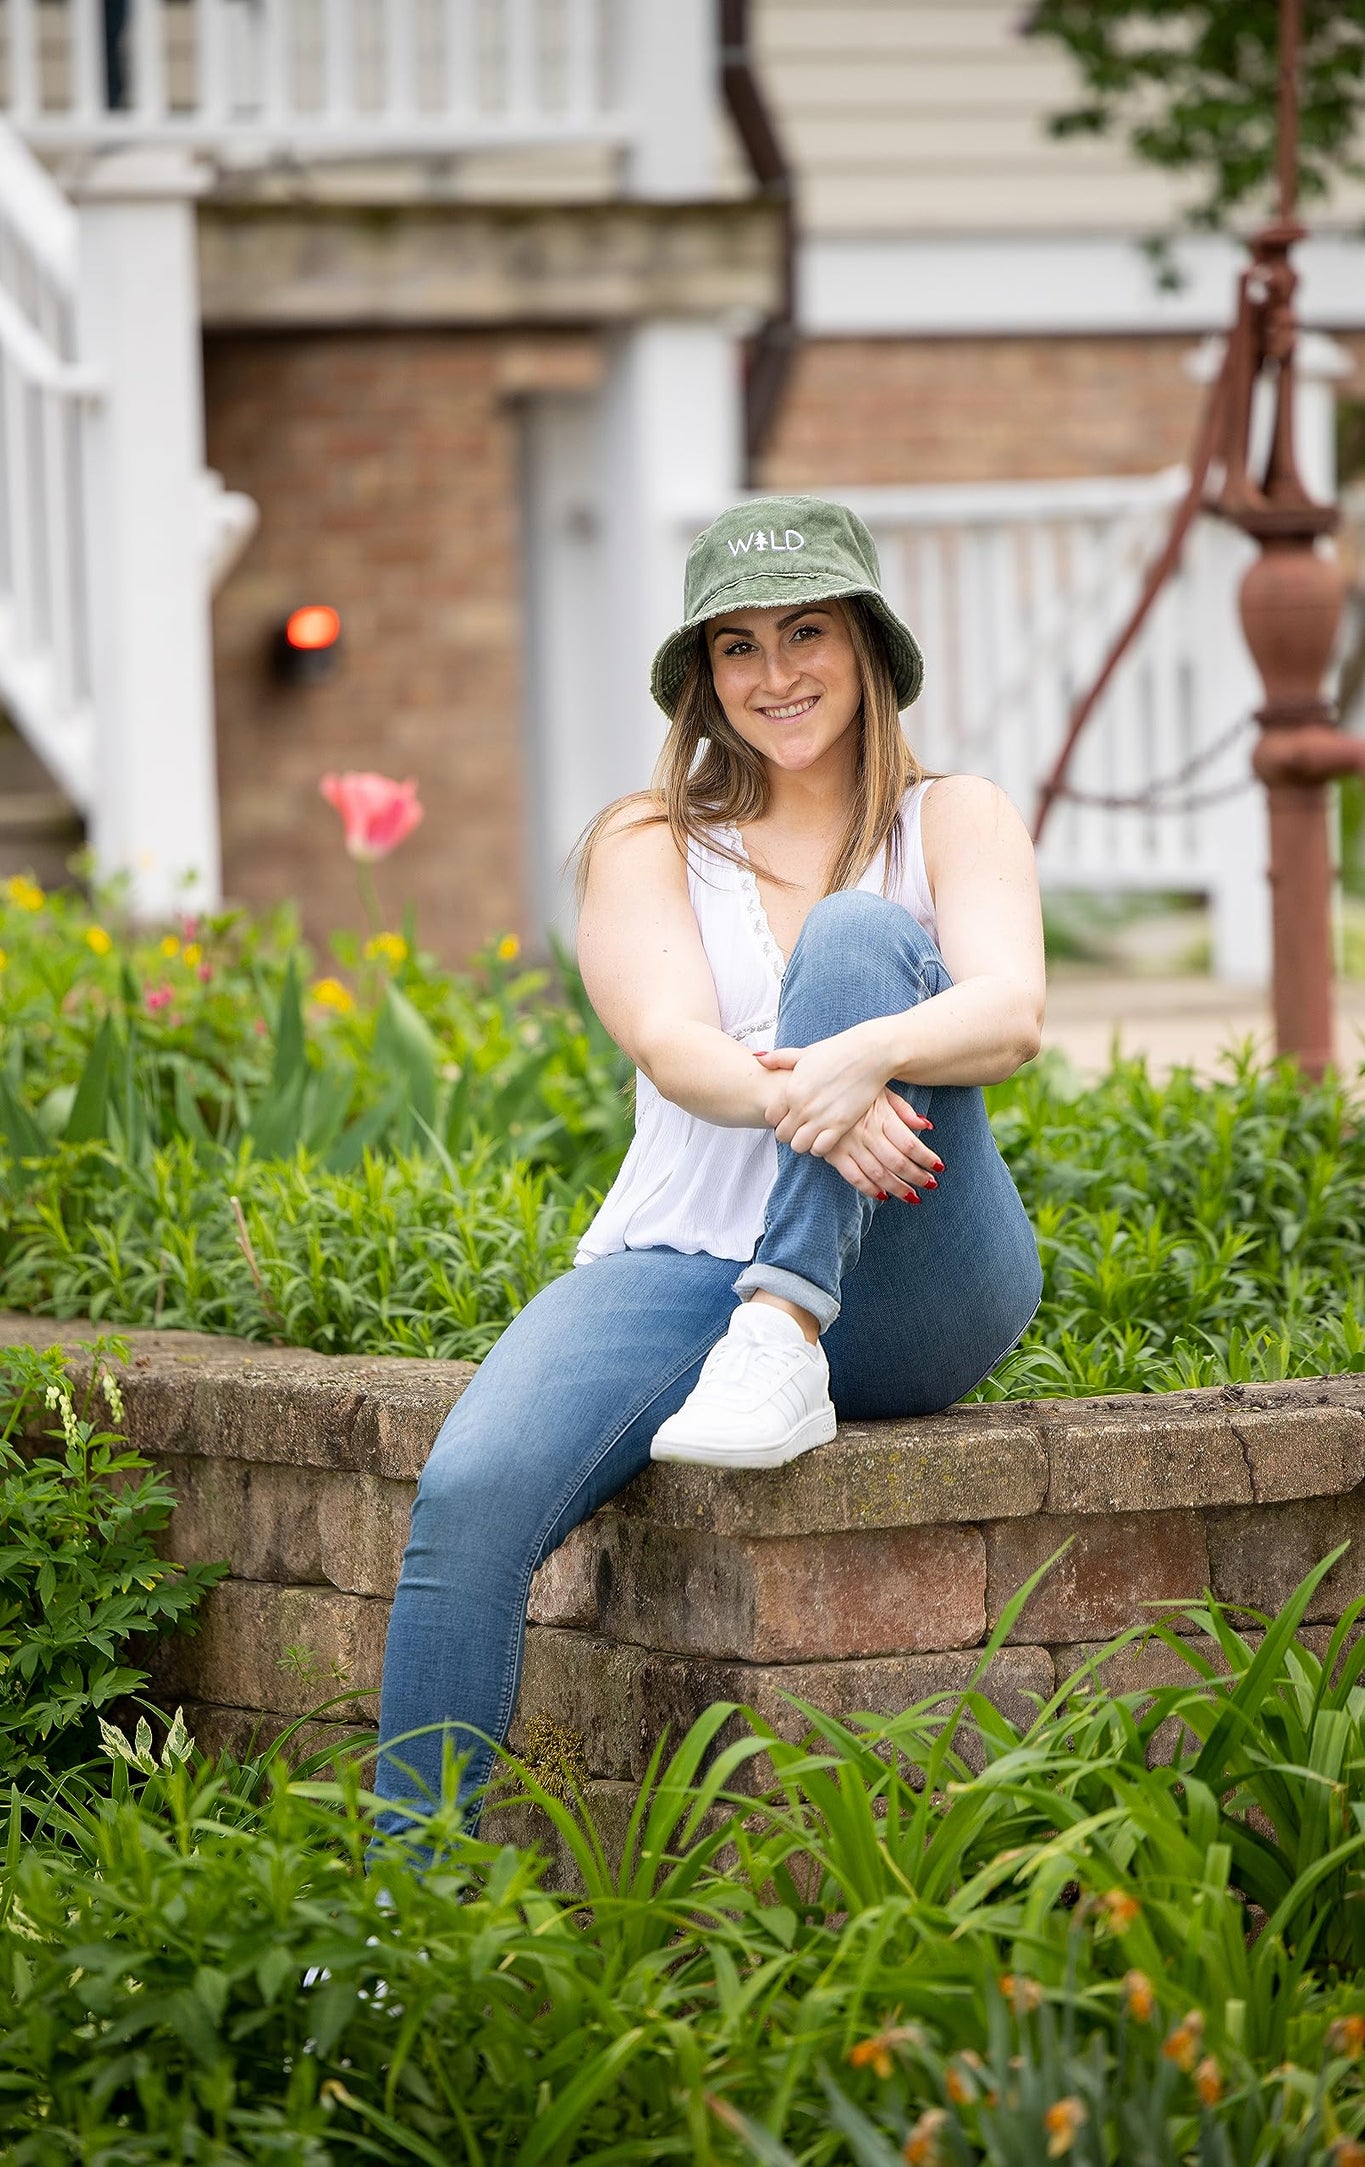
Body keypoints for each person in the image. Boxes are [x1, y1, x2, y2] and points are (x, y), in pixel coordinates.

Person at [373, 494, 1044, 1839]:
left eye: (805, 632)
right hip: (687, 1264)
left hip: (916, 1273)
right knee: (468, 1497)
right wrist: (826, 1093)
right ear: (701, 677)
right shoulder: (649, 842)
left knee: (857, 940)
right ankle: (404, 1903)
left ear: (865, 651)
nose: (774, 672)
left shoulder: (952, 815)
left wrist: (863, 1053)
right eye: (736, 646)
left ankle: (788, 1321)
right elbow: (677, 1050)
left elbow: (1008, 1016)